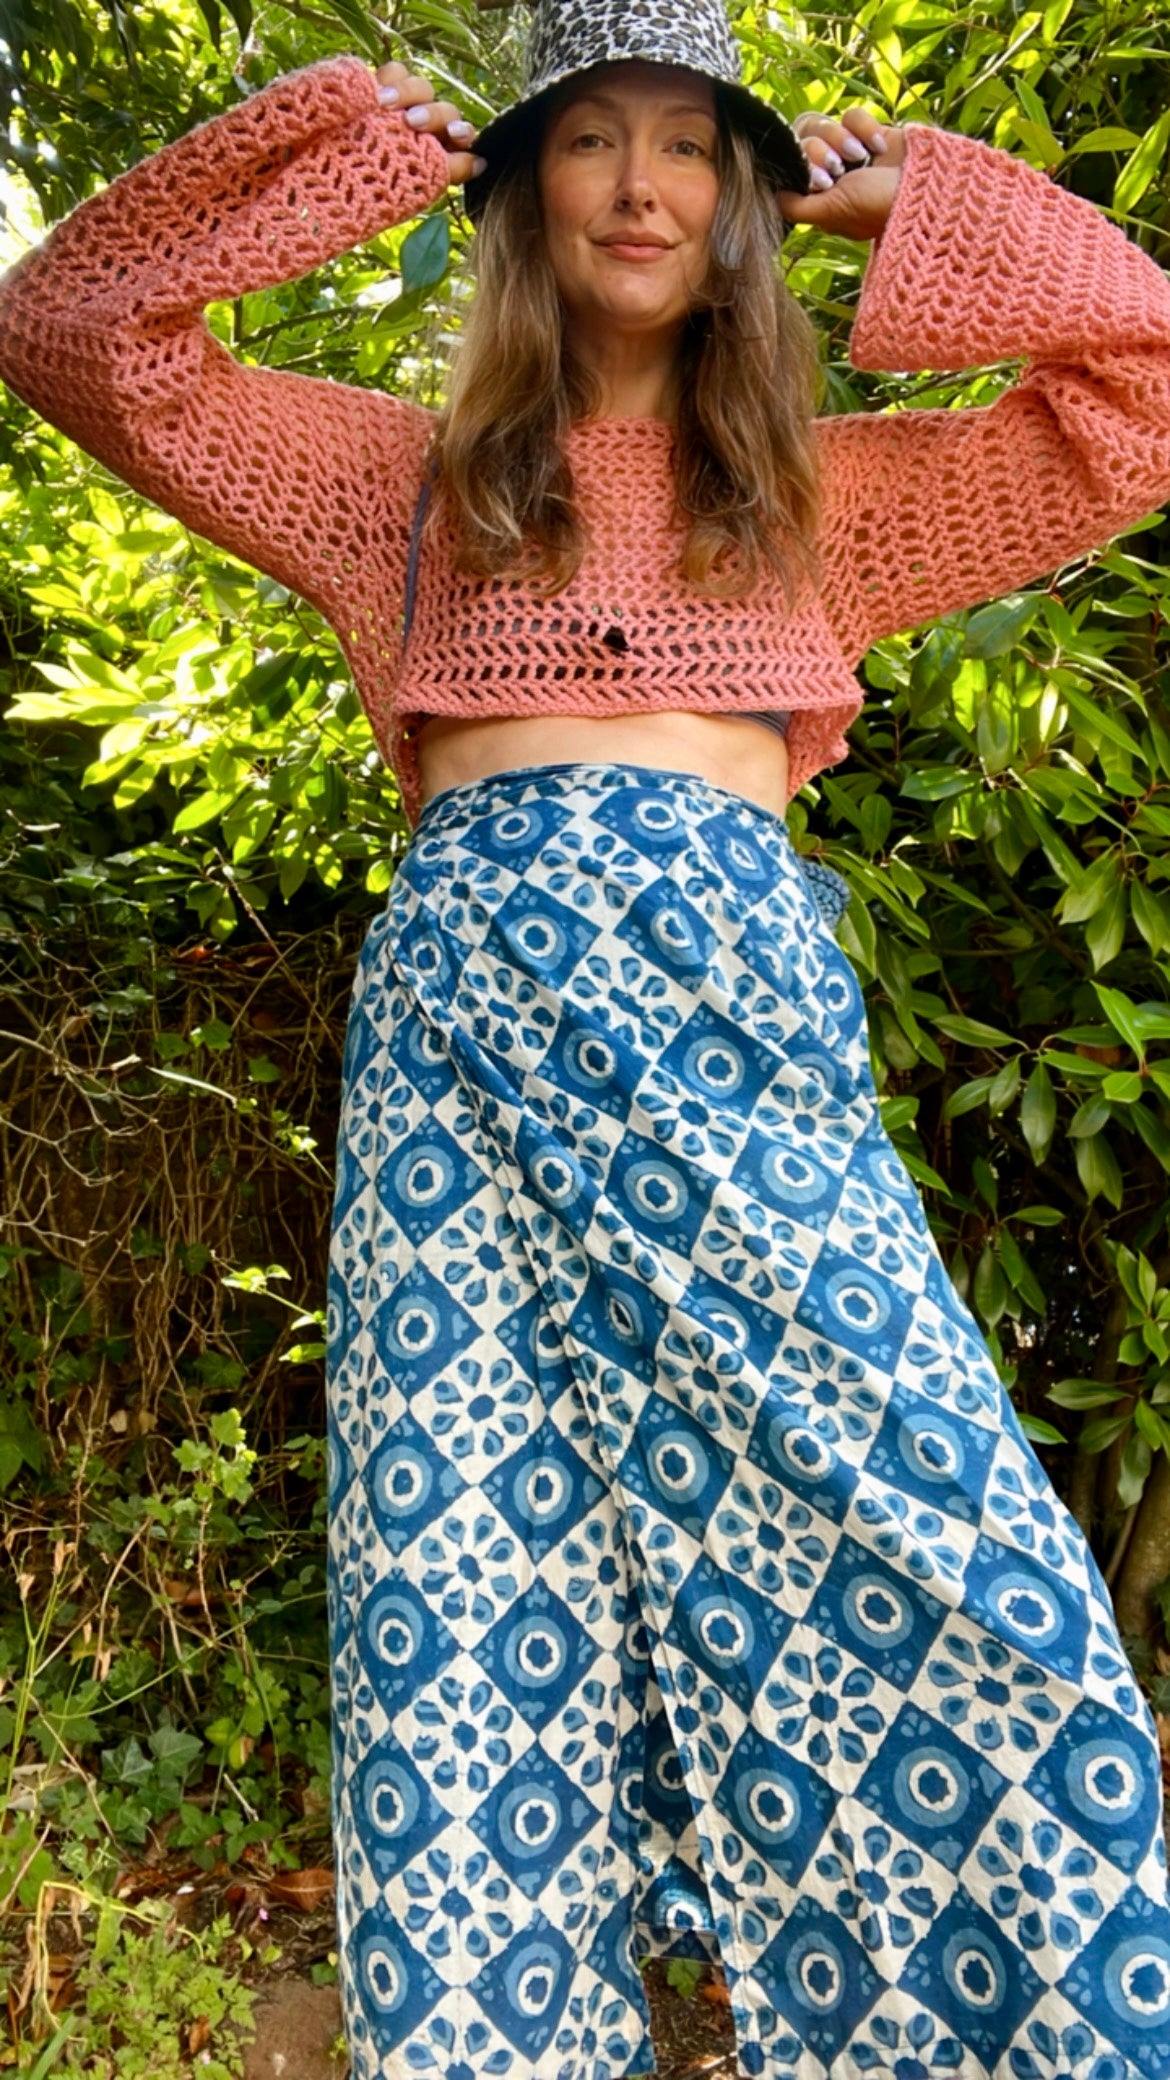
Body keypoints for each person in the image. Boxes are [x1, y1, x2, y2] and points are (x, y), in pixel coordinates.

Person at [3, 2, 1170, 2075]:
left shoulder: (817, 499)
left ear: (741, 200)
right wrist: (331, 153)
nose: (642, 187)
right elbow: (70, 333)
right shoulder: (401, 485)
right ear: (522, 186)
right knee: (465, 1596)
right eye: (589, 140)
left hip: (728, 1033)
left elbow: (1146, 396)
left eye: (693, 146)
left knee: (963, 1564)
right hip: (459, 1050)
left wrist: (931, 205)